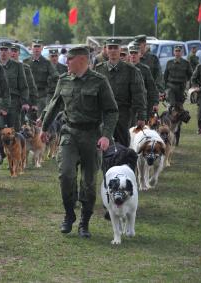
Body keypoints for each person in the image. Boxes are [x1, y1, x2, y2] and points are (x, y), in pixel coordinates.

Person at [40, 46, 118, 238]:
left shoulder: (99, 81)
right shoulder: (63, 80)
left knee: (89, 182)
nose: (66, 62)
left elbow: (111, 111)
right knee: (66, 174)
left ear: (82, 60)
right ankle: (69, 214)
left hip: (92, 135)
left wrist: (106, 135)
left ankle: (84, 222)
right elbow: (54, 104)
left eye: (70, 59)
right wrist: (44, 128)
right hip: (69, 133)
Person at [94, 38, 146, 147]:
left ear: (120, 49)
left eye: (115, 48)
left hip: (123, 114)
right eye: (110, 48)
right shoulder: (99, 69)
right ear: (106, 50)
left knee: (122, 145)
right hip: (104, 114)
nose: (113, 51)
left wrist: (141, 116)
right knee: (102, 146)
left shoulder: (131, 70)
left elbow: (138, 94)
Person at [0, 41, 30, 130]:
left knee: (14, 130)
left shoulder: (18, 66)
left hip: (14, 103)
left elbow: (23, 86)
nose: (3, 52)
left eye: (6, 50)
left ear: (10, 52)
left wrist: (25, 102)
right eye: (1, 50)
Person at [24, 39, 59, 117]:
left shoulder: (47, 63)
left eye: (38, 47)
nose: (36, 49)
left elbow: (55, 76)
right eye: (35, 46)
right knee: (28, 123)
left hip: (41, 96)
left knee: (40, 121)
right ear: (31, 48)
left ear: (42, 48)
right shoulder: (25, 62)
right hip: (28, 96)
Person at [128, 43, 159, 120]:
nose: (133, 55)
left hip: (142, 104)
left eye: (135, 53)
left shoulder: (145, 69)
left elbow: (152, 88)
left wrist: (155, 103)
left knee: (141, 128)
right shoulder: (124, 68)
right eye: (131, 53)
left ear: (140, 55)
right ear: (129, 55)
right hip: (127, 104)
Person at [10, 43, 39, 122]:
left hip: (20, 102)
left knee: (19, 125)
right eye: (11, 51)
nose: (13, 53)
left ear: (19, 53)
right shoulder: (1, 67)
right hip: (5, 102)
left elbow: (31, 85)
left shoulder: (25, 68)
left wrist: (34, 103)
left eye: (15, 51)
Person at [164, 45, 193, 109]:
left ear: (182, 52)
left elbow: (190, 74)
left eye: (179, 51)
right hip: (171, 87)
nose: (177, 52)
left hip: (181, 88)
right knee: (172, 105)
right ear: (174, 52)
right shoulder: (169, 63)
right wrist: (165, 88)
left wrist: (185, 82)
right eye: (176, 51)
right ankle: (169, 115)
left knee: (179, 107)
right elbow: (165, 76)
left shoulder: (186, 63)